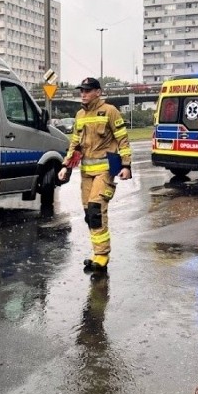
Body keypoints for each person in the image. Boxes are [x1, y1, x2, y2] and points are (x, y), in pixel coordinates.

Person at [57, 77, 132, 272]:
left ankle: (102, 256)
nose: (83, 94)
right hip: (86, 173)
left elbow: (122, 140)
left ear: (98, 92)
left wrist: (126, 165)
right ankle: (96, 252)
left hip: (105, 171)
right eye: (82, 90)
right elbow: (75, 145)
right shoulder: (80, 115)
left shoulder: (110, 111)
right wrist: (66, 166)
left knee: (96, 210)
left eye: (88, 90)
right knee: (89, 215)